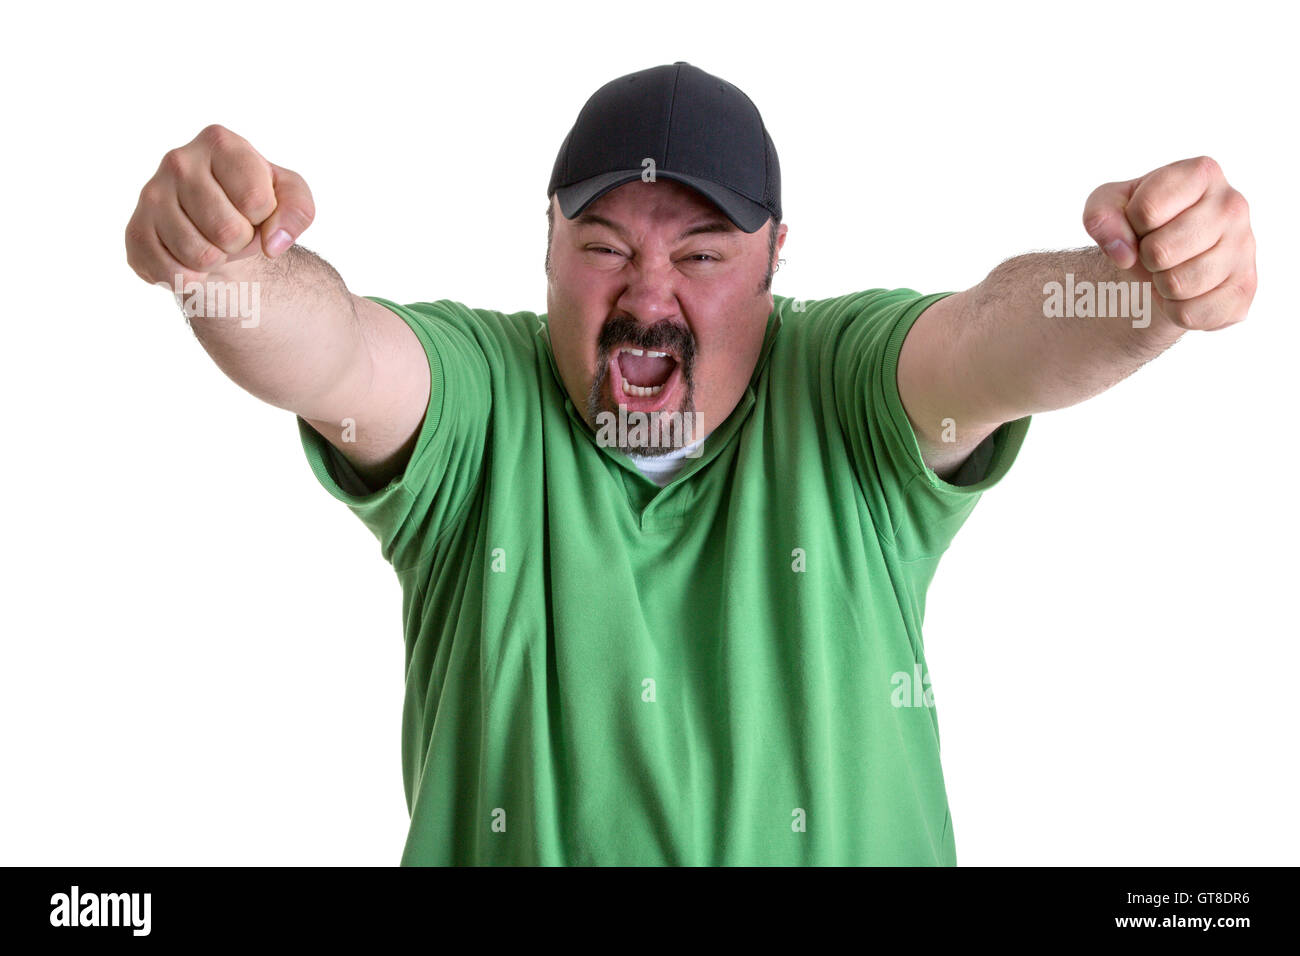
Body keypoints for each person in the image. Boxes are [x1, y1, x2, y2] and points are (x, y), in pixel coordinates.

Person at [124, 62, 1256, 865]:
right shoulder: (482, 400)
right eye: (604, 247)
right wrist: (225, 260)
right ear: (548, 250)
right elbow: (330, 350)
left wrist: (1144, 290)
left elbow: (990, 338)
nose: (647, 300)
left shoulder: (841, 386)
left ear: (776, 258)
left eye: (703, 253)